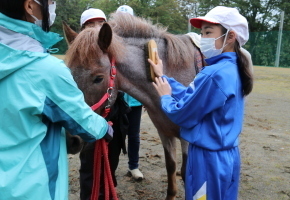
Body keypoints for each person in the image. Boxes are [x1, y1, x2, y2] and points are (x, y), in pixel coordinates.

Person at [0, 0, 113, 200]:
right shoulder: (45, 70)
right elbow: (83, 122)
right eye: (50, 1)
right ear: (29, 6)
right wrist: (105, 128)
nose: (53, 5)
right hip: (32, 188)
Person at [148, 6, 253, 200]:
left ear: (230, 37)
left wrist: (165, 97)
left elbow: (183, 114)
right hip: (228, 156)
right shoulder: (232, 68)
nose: (202, 38)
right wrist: (165, 78)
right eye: (202, 32)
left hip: (207, 159)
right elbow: (193, 96)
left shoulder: (213, 74)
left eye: (208, 32)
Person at [78, 8, 131, 200]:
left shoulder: (115, 51)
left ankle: (108, 191)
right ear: (82, 29)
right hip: (90, 114)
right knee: (89, 164)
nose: (95, 29)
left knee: (111, 160)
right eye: (90, 25)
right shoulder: (81, 55)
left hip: (115, 114)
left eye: (100, 24)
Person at [116, 5, 144, 180]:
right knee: (115, 135)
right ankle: (109, 166)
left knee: (134, 135)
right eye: (121, 19)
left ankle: (134, 166)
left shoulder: (140, 42)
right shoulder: (109, 39)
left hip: (135, 99)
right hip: (116, 98)